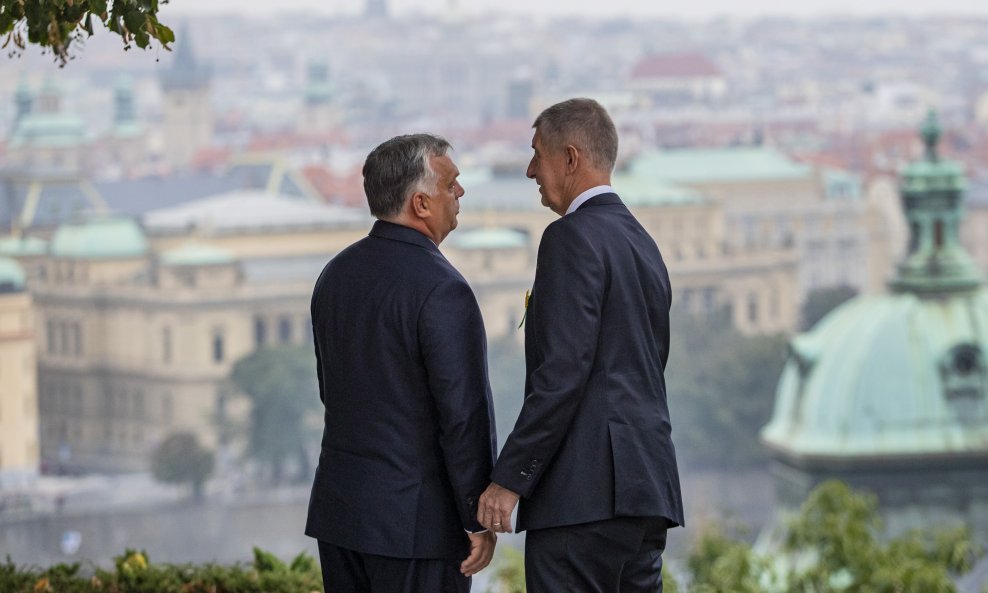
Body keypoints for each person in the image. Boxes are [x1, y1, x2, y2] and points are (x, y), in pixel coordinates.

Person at [477, 98, 685, 592]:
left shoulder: (569, 238)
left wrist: (509, 480)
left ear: (570, 158)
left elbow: (562, 373)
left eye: (537, 154)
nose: (530, 170)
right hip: (645, 492)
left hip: (582, 498)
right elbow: (648, 363)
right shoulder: (643, 243)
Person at [306, 133, 498, 593]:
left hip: (341, 516)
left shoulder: (334, 274)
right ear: (421, 204)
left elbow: (331, 390)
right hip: (416, 528)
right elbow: (462, 417)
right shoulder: (443, 288)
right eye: (450, 184)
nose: (460, 192)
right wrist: (476, 516)